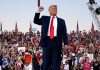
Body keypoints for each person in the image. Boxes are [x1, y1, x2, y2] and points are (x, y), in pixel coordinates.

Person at [34, 5, 68, 70]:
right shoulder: (44, 18)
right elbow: (36, 21)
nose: (54, 9)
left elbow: (64, 33)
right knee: (46, 63)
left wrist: (66, 43)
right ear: (49, 11)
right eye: (52, 8)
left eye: (55, 8)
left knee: (56, 63)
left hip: (57, 43)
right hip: (46, 42)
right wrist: (38, 11)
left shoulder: (61, 21)